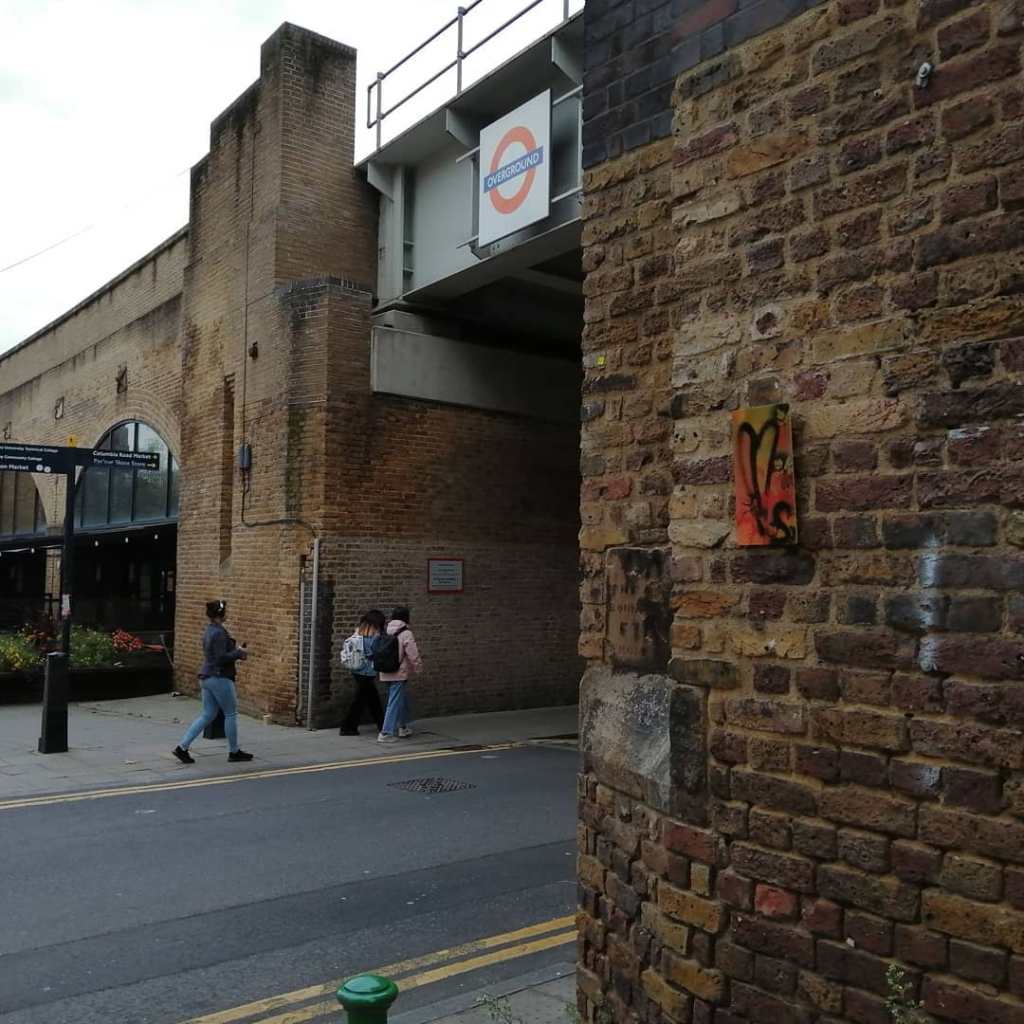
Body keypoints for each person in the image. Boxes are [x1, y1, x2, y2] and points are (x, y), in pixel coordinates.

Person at [172, 600, 254, 764]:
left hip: (206, 676)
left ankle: (182, 748)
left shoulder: (210, 630)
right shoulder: (219, 633)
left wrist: (236, 652)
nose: (227, 614)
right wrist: (238, 652)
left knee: (208, 714)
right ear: (221, 615)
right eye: (225, 612)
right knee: (230, 713)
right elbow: (220, 658)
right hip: (219, 677)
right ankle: (234, 752)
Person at [377, 605, 422, 744]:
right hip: (399, 672)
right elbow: (413, 654)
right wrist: (418, 668)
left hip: (385, 670)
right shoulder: (406, 633)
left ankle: (402, 727)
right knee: (394, 701)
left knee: (400, 699)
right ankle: (385, 733)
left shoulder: (385, 630)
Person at [339, 609, 386, 736]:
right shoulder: (374, 638)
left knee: (372, 699)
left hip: (356, 669)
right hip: (367, 672)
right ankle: (347, 727)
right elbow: (374, 655)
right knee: (360, 701)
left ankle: (382, 725)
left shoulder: (357, 635)